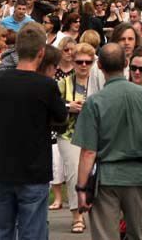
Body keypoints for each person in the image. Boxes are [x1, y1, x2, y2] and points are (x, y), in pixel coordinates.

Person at [74, 42, 142, 240]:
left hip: (107, 178)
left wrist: (81, 188)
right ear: (126, 62)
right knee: (139, 234)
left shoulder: (95, 101)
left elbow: (88, 152)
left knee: (106, 235)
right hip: (139, 175)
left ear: (98, 65)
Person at [0, 22, 68, 240]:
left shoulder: (0, 80)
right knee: (32, 232)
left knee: (1, 231)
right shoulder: (46, 85)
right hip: (34, 169)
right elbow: (61, 117)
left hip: (3, 167)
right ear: (41, 53)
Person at [57, 41, 94, 234]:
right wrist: (68, 106)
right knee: (73, 173)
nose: (83, 65)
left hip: (95, 135)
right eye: (80, 61)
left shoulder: (98, 82)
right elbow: (54, 105)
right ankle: (77, 216)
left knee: (95, 175)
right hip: (69, 134)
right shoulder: (64, 82)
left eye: (88, 62)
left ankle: (95, 213)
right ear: (73, 61)